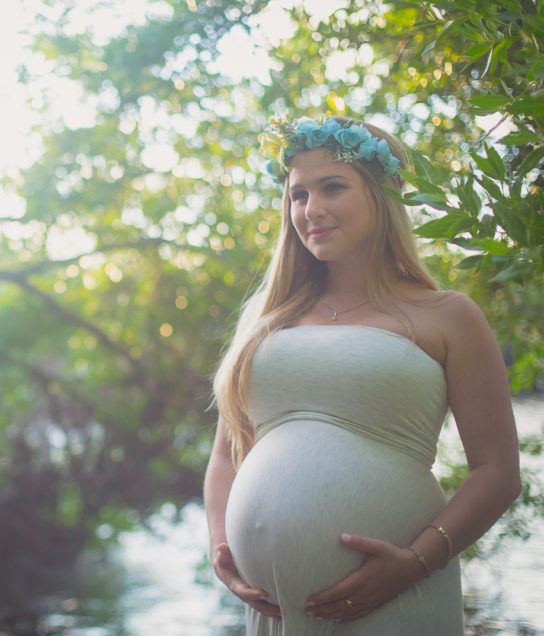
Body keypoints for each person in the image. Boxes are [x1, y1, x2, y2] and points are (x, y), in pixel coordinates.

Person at [203, 115, 522, 635]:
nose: (312, 209)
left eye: (333, 187)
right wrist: (222, 548)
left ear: (382, 196)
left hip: (394, 600)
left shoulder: (447, 315)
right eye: (299, 194)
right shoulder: (265, 318)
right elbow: (225, 454)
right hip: (275, 607)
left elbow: (498, 473)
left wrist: (416, 562)